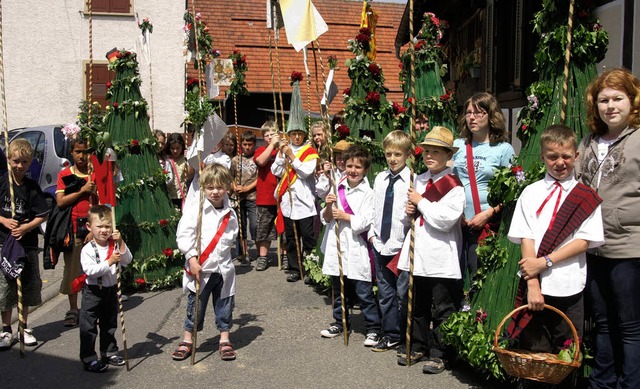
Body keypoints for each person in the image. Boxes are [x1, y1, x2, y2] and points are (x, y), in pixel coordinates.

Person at [508, 125, 604, 387]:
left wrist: (546, 261)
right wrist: (533, 283)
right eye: (552, 156)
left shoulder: (586, 197)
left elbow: (584, 241)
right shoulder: (530, 193)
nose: (560, 163)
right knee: (535, 356)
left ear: (576, 156)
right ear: (542, 158)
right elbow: (526, 237)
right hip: (537, 288)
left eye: (566, 156)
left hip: (570, 286)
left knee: (566, 357)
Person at [575, 68, 640, 388]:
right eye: (604, 100)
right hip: (593, 245)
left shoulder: (639, 138)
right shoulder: (590, 142)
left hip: (629, 245)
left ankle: (630, 384)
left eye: (618, 98)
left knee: (629, 326)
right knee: (601, 322)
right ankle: (602, 382)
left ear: (632, 101)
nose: (610, 105)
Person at [397, 126, 465, 370]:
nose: (429, 156)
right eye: (426, 151)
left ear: (448, 156)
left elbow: (445, 221)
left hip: (440, 255)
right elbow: (411, 220)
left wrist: (421, 202)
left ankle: (441, 352)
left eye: (436, 152)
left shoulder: (455, 186)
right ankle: (418, 346)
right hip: (419, 252)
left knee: (443, 308)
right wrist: (409, 212)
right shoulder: (418, 179)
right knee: (417, 305)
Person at [171, 164, 239, 363]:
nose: (215, 192)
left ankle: (224, 339)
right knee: (195, 307)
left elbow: (231, 237)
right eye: (210, 187)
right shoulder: (196, 210)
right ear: (203, 188)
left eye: (219, 187)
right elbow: (184, 236)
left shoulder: (231, 214)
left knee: (224, 304)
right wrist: (192, 259)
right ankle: (187, 340)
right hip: (200, 269)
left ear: (226, 187)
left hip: (223, 270)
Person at [452, 92, 514, 298]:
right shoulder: (458, 146)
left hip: (487, 226)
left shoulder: (503, 150)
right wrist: (455, 213)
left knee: (480, 278)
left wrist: (488, 214)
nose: (472, 117)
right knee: (457, 279)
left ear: (491, 116)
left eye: (478, 113)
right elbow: (448, 182)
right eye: (468, 113)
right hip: (459, 224)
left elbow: (512, 193)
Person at [319, 146, 380, 347]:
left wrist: (345, 216)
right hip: (337, 245)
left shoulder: (368, 193)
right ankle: (340, 321)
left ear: (365, 169)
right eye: (349, 165)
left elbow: (365, 220)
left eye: (358, 167)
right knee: (339, 288)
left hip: (357, 245)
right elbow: (326, 219)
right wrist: (328, 206)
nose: (353, 170)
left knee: (363, 291)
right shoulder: (337, 186)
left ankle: (373, 327)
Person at [0, 139, 49, 349]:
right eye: (16, 161)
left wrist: (25, 227)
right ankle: (5, 329)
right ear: (9, 160)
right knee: (6, 287)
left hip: (26, 245)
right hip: (4, 245)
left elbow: (42, 215)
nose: (19, 166)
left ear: (30, 163)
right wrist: (3, 220)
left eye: (24, 162)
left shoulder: (31, 187)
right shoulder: (2, 183)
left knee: (26, 285)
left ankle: (24, 326)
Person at [368, 130, 412, 352]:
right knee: (385, 293)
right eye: (388, 154)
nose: (393, 159)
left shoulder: (412, 180)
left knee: (403, 293)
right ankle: (391, 333)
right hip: (381, 243)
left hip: (402, 246)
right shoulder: (380, 178)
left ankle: (406, 332)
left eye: (398, 154)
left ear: (407, 155)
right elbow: (374, 209)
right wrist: (372, 234)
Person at [78, 205, 132, 372]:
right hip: (93, 292)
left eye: (107, 226)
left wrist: (121, 241)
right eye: (99, 226)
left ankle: (109, 352)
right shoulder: (87, 249)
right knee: (89, 326)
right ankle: (89, 357)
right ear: (89, 227)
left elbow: (127, 260)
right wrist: (109, 262)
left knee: (109, 323)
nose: (104, 230)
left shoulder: (114, 244)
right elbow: (90, 271)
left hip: (111, 289)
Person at [55, 138, 99, 328]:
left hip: (92, 229)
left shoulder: (94, 174)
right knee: (73, 270)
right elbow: (61, 201)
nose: (82, 156)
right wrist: (82, 190)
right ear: (71, 153)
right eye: (78, 152)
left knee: (94, 270)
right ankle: (73, 309)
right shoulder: (65, 174)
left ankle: (92, 307)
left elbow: (101, 203)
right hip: (72, 229)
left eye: (85, 152)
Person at [271, 127, 319, 282]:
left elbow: (305, 172)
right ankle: (295, 268)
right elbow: (275, 171)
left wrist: (291, 156)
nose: (297, 137)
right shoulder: (285, 149)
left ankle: (312, 269)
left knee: (308, 238)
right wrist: (281, 153)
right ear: (289, 135)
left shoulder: (309, 151)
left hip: (304, 202)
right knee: (292, 238)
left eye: (299, 134)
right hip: (288, 201)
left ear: (304, 135)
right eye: (293, 134)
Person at [253, 121, 281, 271]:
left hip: (282, 197)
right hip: (265, 196)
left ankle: (284, 256)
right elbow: (261, 161)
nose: (270, 137)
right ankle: (262, 257)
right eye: (267, 135)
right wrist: (272, 146)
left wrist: (280, 147)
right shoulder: (261, 150)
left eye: (272, 134)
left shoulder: (283, 150)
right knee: (264, 229)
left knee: (283, 228)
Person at [230, 131, 258, 265]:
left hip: (253, 196)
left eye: (250, 144)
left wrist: (247, 188)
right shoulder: (235, 160)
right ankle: (244, 253)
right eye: (245, 144)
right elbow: (230, 176)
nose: (247, 147)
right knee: (241, 226)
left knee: (254, 225)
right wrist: (235, 186)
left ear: (254, 144)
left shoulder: (257, 159)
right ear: (241, 144)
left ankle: (259, 251)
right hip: (239, 198)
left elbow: (260, 178)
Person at [164, 133, 194, 210]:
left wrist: (188, 159)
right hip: (168, 195)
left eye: (178, 148)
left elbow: (189, 175)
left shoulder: (184, 159)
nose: (175, 151)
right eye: (172, 148)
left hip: (181, 195)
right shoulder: (166, 159)